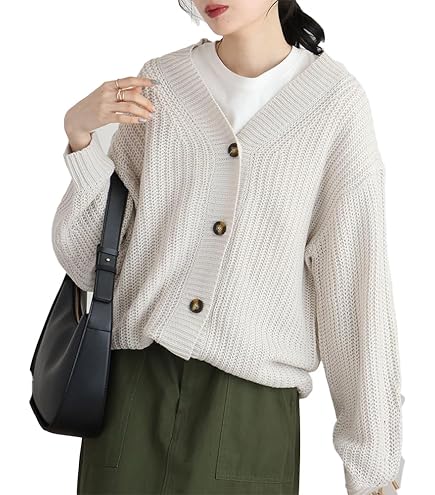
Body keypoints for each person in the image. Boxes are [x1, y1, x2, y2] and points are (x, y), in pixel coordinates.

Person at [53, 1, 404, 494]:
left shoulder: (335, 106)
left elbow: (354, 292)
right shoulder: (161, 86)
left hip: (250, 411)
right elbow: (89, 263)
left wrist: (375, 470)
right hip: (132, 394)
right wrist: (82, 141)